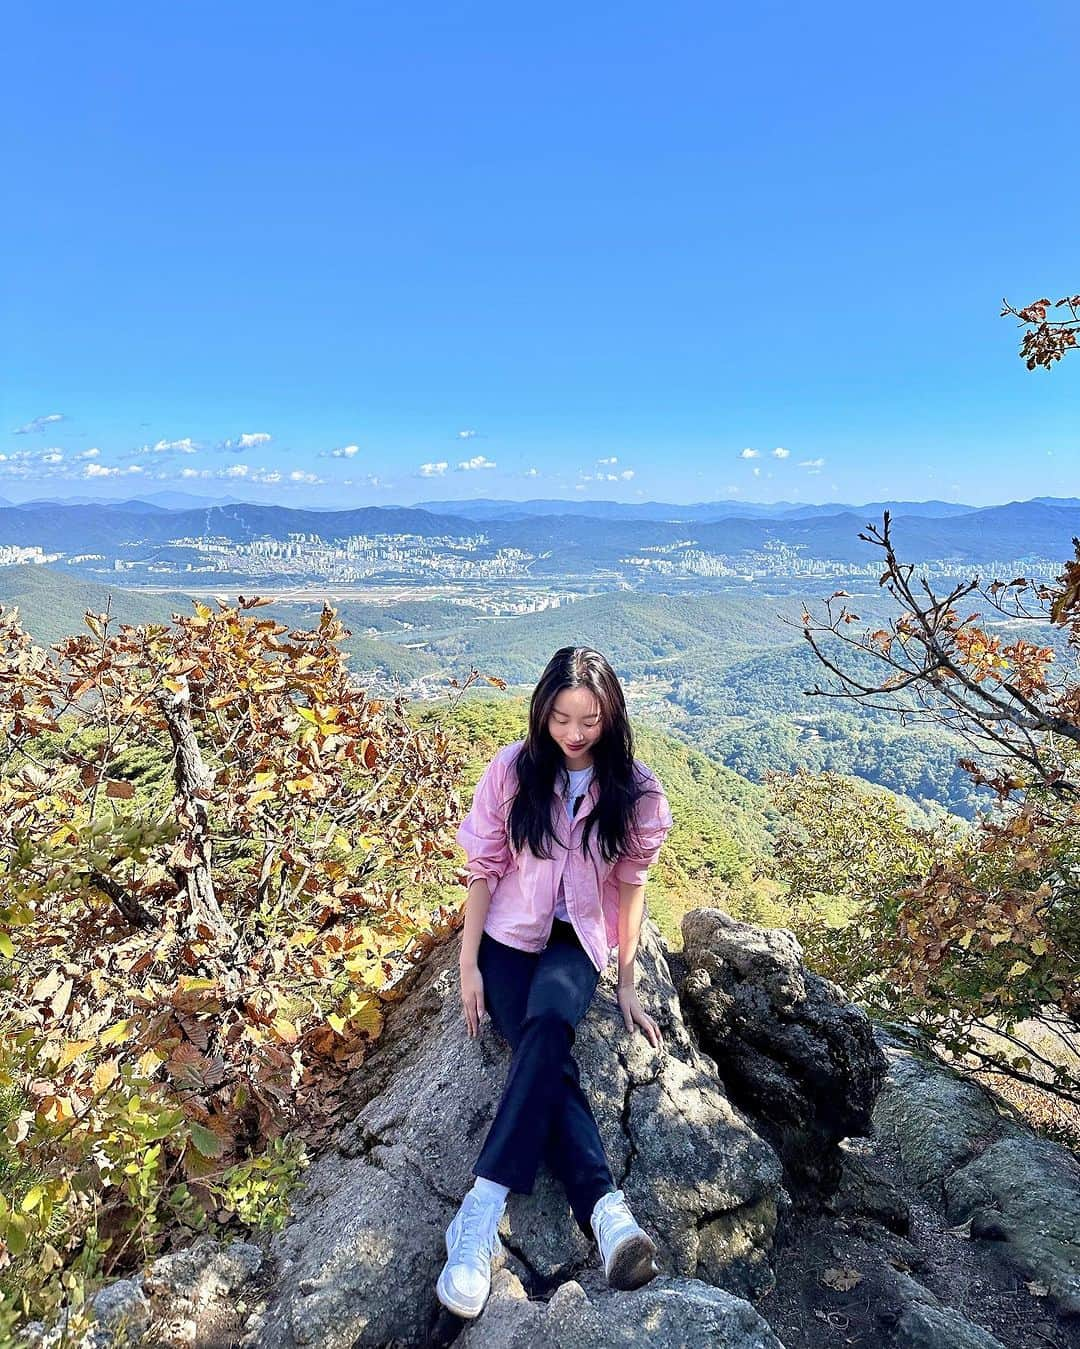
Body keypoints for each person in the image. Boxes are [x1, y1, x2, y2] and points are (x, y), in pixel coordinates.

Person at [435, 645, 675, 1320]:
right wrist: (468, 963)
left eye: (590, 719)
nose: (574, 732)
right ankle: (606, 1212)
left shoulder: (636, 789)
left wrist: (626, 981)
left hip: (577, 939)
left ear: (612, 716)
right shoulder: (512, 771)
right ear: (542, 710)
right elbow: (482, 868)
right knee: (549, 1061)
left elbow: (630, 886)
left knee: (548, 1027)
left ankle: (479, 1210)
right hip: (510, 936)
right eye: (562, 717)